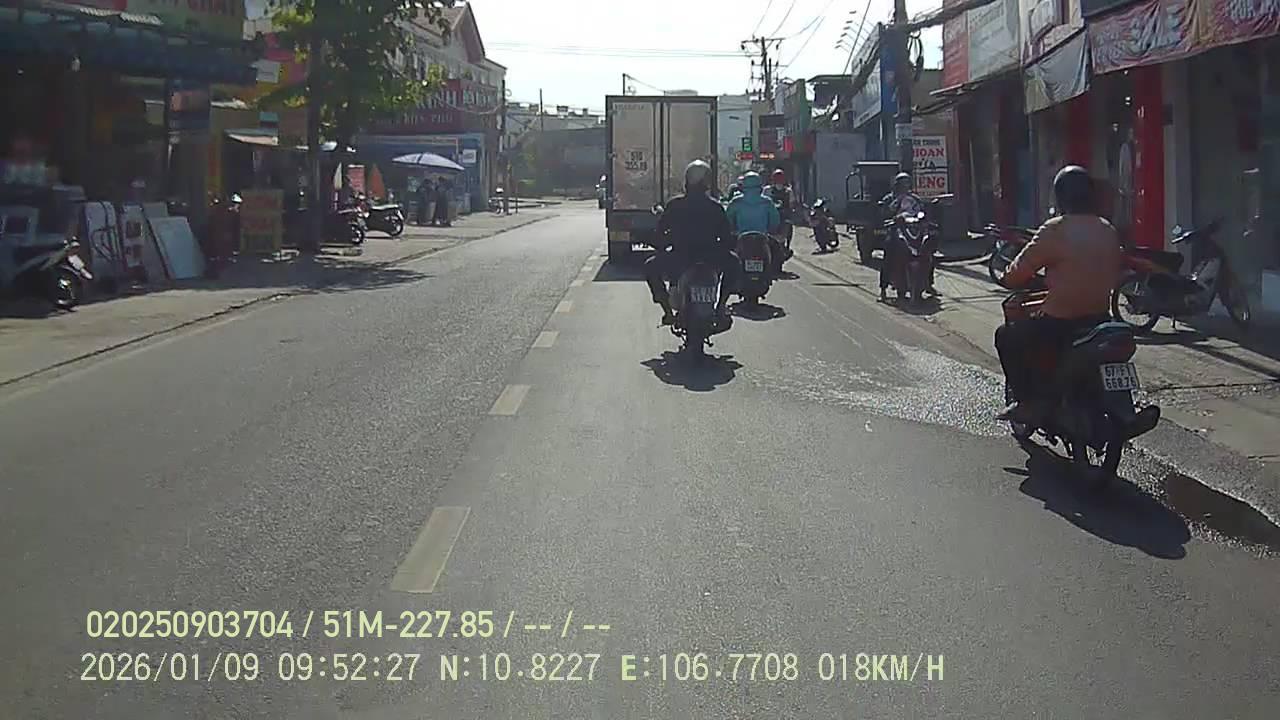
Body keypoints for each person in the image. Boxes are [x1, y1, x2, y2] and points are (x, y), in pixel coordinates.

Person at [994, 165, 1124, 421]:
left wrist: (1007, 278)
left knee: (1006, 335)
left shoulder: (1055, 229)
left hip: (1060, 322)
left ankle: (1027, 402)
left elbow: (1018, 273)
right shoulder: (1107, 228)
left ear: (1060, 197)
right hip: (1100, 318)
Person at [644, 160, 741, 325]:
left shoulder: (674, 205)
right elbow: (726, 238)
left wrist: (661, 244)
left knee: (650, 266)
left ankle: (668, 312)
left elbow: (660, 234)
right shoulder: (715, 207)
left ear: (686, 181)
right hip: (710, 258)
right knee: (734, 262)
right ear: (707, 182)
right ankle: (721, 306)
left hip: (680, 258)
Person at [878, 172, 933, 301]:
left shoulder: (915, 199)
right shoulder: (890, 198)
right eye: (902, 184)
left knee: (927, 252)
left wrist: (925, 219)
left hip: (913, 230)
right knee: (889, 253)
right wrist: (893, 217)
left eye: (907, 183)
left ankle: (928, 283)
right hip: (896, 231)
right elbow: (885, 212)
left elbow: (922, 211)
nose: (905, 186)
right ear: (897, 185)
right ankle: (883, 287)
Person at [726, 172, 788, 272]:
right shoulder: (767, 202)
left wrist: (733, 230)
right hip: (762, 237)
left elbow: (728, 219)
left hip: (740, 237)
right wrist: (770, 230)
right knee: (778, 252)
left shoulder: (736, 202)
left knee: (728, 258)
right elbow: (774, 221)